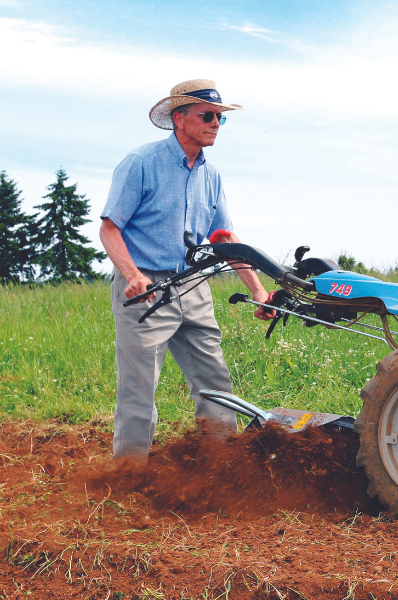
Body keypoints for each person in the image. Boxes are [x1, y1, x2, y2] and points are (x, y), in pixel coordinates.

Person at [99, 78, 274, 460]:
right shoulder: (141, 164)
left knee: (215, 382)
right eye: (207, 115)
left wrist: (258, 289)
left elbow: (224, 239)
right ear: (179, 119)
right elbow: (109, 228)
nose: (215, 123)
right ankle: (129, 476)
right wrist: (132, 276)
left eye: (220, 119)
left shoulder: (212, 176)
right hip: (145, 290)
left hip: (192, 286)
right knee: (139, 389)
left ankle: (220, 465)